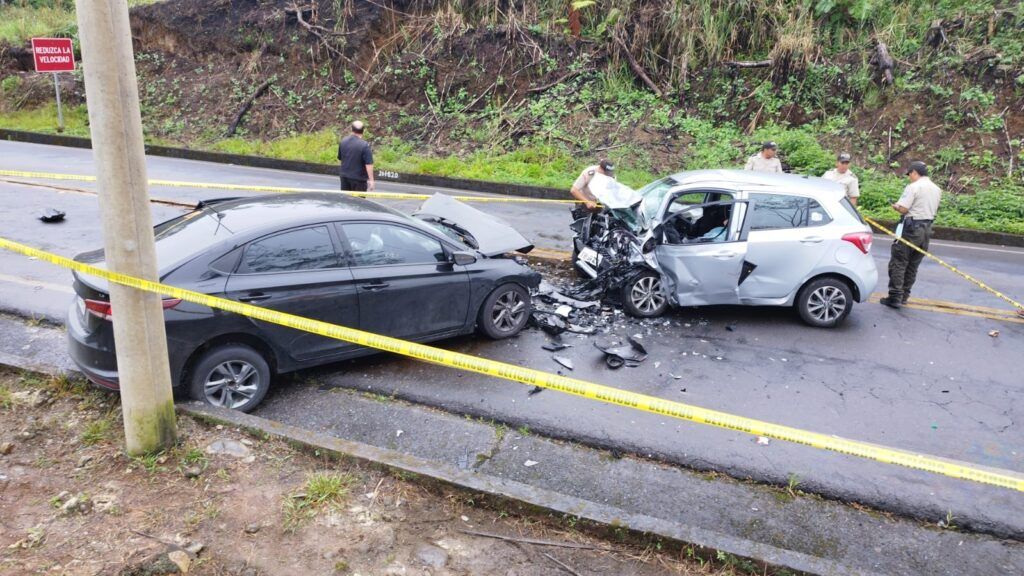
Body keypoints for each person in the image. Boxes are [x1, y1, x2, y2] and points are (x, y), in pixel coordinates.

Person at [880, 160, 941, 309]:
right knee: (913, 264)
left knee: (899, 262)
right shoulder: (936, 189)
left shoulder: (913, 187)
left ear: (914, 172)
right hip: (927, 229)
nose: (909, 177)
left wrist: (896, 206)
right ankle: (905, 296)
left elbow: (903, 209)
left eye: (910, 174)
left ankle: (895, 296)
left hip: (911, 228)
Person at [337, 120, 375, 192]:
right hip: (359, 180)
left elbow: (340, 159)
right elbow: (369, 164)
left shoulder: (343, 141)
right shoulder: (364, 145)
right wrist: (371, 180)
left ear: (351, 129)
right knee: (358, 202)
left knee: (346, 201)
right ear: (363, 131)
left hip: (344, 178)